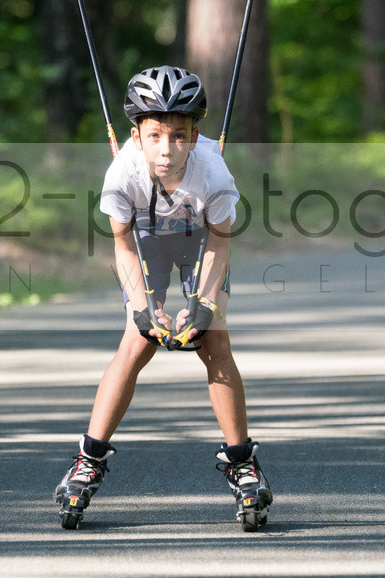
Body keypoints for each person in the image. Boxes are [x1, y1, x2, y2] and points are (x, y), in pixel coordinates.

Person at [54, 65, 272, 531]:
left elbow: (220, 244)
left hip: (200, 239)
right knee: (138, 341)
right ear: (135, 136)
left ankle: (243, 464)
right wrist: (142, 308)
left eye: (178, 135)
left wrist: (205, 305)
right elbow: (122, 245)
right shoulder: (122, 174)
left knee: (213, 339)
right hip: (145, 239)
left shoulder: (213, 173)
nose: (166, 149)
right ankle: (87, 461)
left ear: (195, 137)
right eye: (154, 135)